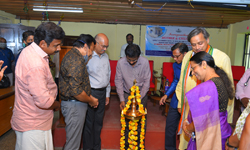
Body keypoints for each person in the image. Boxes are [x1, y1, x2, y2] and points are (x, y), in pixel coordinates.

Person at [175, 27, 234, 150]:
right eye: (193, 45)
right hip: (193, 110)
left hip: (209, 122)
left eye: (200, 43)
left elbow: (202, 120)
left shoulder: (221, 59)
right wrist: (182, 104)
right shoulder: (188, 57)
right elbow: (182, 81)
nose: (197, 47)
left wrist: (189, 127)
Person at [11, 22, 65, 150]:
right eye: (56, 45)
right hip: (33, 125)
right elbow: (44, 101)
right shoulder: (36, 64)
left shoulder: (30, 51)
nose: (59, 49)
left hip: (31, 119)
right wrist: (57, 104)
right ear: (42, 43)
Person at [59, 34, 99, 150]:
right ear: (85, 46)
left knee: (73, 140)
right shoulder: (76, 60)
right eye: (91, 50)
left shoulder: (74, 57)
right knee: (73, 145)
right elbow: (76, 91)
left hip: (75, 104)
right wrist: (91, 100)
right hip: (74, 105)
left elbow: (79, 85)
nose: (91, 54)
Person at [115, 44, 151, 150]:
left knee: (141, 123)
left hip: (141, 95)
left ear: (138, 57)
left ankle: (140, 147)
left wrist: (138, 99)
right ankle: (126, 146)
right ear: (125, 56)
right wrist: (122, 99)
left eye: (134, 60)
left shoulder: (144, 62)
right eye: (129, 60)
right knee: (126, 122)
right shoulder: (120, 63)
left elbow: (146, 82)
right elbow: (118, 81)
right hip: (126, 95)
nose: (131, 62)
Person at [82, 33, 111, 150]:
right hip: (91, 93)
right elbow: (83, 77)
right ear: (95, 43)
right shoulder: (87, 56)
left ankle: (96, 147)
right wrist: (87, 95)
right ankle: (88, 148)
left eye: (107, 47)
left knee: (98, 123)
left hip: (103, 93)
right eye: (103, 46)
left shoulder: (106, 57)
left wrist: (108, 94)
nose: (105, 49)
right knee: (89, 123)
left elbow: (107, 75)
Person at [159, 43, 188, 150]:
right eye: (173, 56)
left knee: (187, 128)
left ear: (185, 54)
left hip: (189, 101)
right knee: (170, 127)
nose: (175, 59)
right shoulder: (175, 65)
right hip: (176, 100)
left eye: (177, 56)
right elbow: (176, 81)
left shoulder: (193, 65)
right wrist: (166, 94)